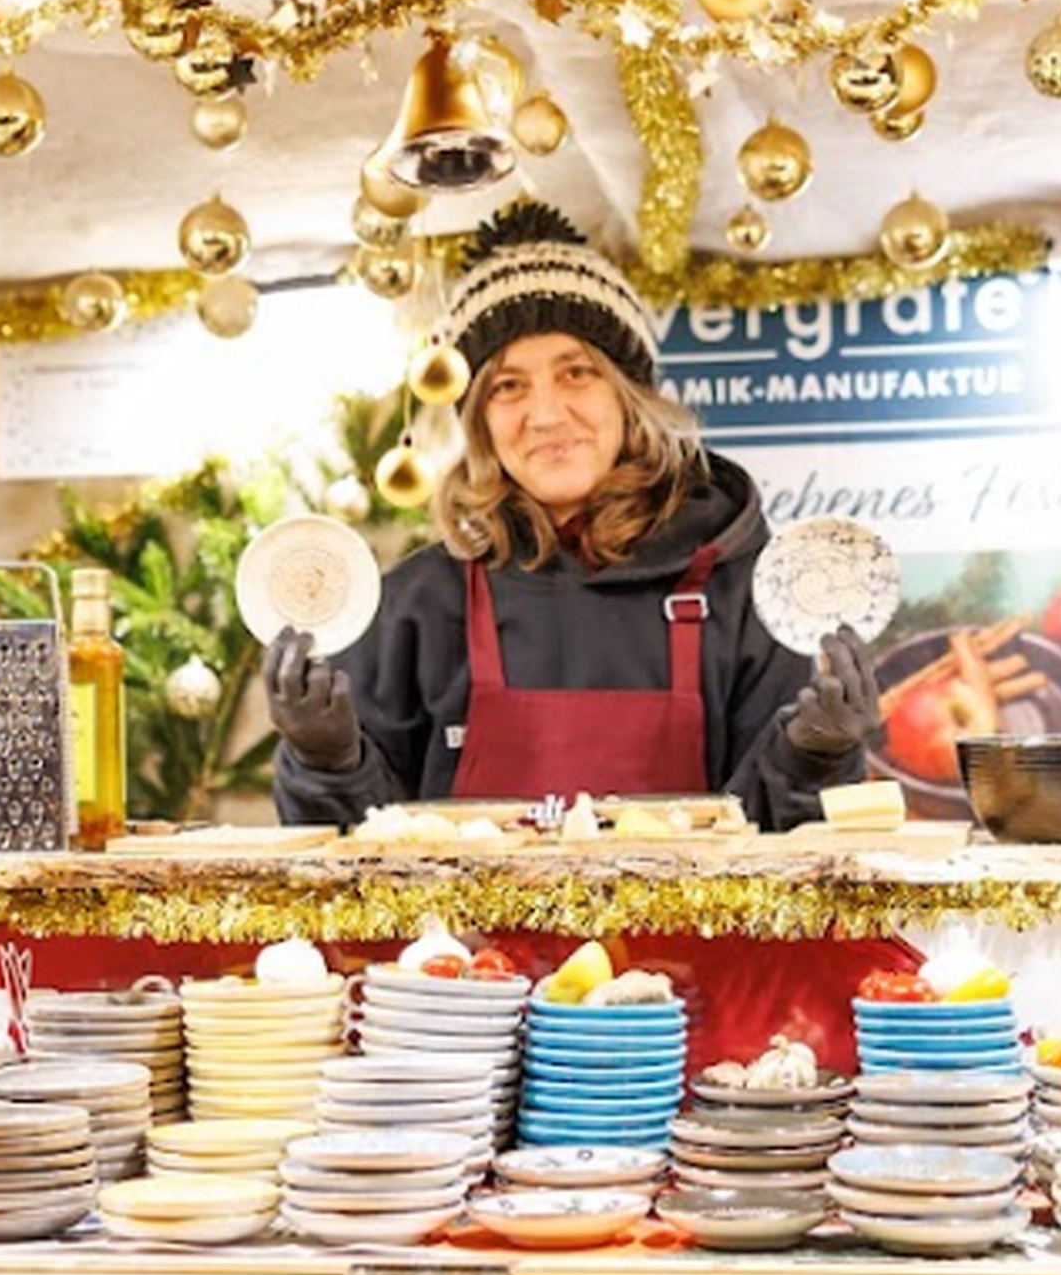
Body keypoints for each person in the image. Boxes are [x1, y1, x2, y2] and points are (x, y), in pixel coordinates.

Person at [268, 201, 880, 830]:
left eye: (576, 372)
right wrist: (326, 759)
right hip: (467, 932)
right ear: (477, 419)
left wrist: (815, 757)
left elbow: (789, 861)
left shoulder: (744, 588)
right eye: (508, 385)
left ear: (630, 395)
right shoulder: (414, 607)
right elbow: (352, 870)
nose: (547, 413)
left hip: (682, 932)